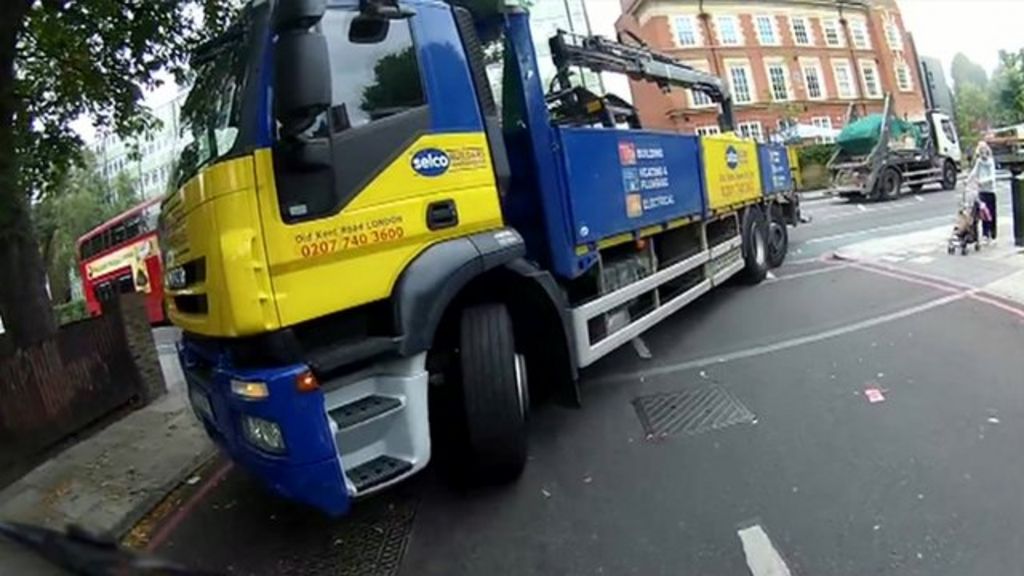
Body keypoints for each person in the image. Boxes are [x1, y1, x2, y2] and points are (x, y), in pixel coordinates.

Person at [967, 141, 998, 243]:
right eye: (980, 150)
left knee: (991, 213)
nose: (982, 153)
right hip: (982, 192)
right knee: (984, 213)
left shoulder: (990, 162)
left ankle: (992, 235)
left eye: (984, 149)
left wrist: (981, 181)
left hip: (990, 191)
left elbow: (992, 177)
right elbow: (974, 172)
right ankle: (985, 234)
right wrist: (967, 180)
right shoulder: (979, 161)